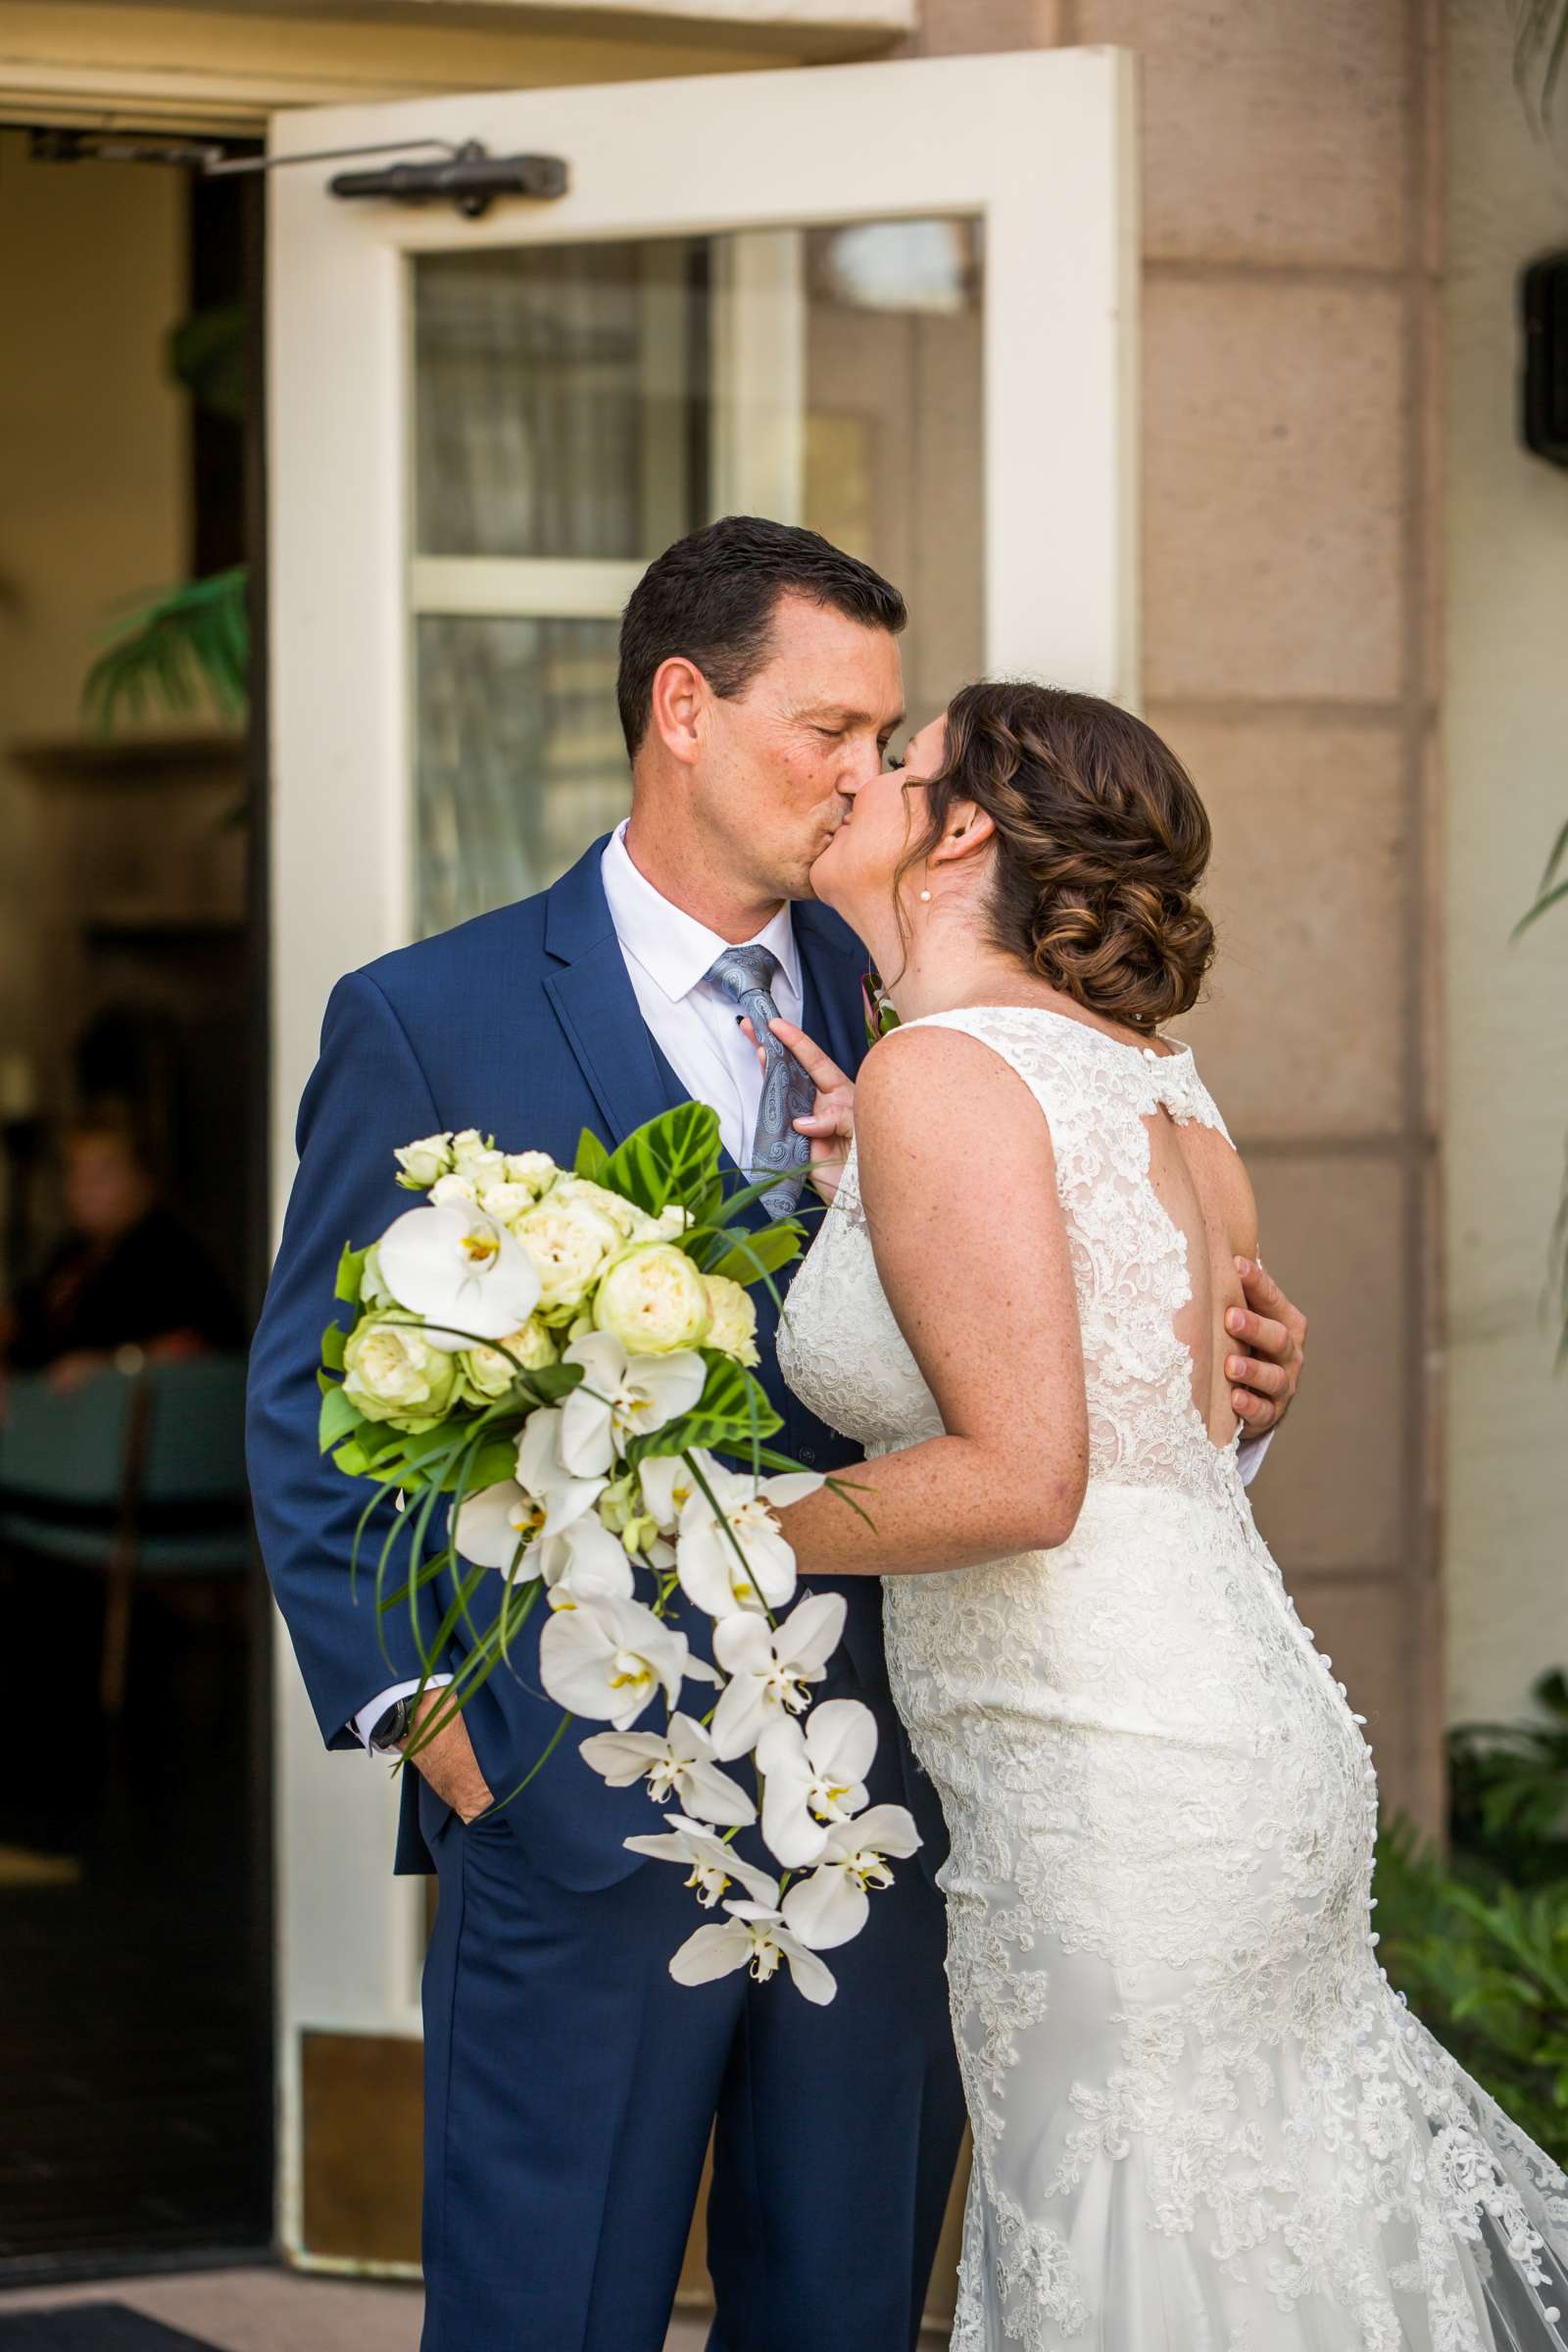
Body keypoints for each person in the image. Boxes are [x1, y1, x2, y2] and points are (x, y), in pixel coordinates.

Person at [245, 520, 1305, 2352]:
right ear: (684, 708)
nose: (867, 777)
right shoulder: (431, 1017)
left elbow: (1066, 1367)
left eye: (889, 738)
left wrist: (1228, 1380)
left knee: (840, 2313)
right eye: (831, 729)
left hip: (899, 1804)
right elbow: (315, 1404)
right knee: (542, 2317)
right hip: (573, 1799)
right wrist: (439, 1729)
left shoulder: (925, 1000)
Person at [770, 680, 1566, 2350]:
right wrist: (872, 1208)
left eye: (898, 763)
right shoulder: (1162, 1093)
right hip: (1230, 1740)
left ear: (966, 826)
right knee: (1260, 2256)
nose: (860, 777)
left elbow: (1028, 1477)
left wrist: (713, 1530)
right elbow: (1157, 1425)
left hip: (1110, 1790)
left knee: (1133, 2257)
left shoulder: (944, 1070)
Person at [1, 1120, 243, 1396]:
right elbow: (21, 1320)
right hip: (62, 1426)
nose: (85, 1188)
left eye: (103, 1174)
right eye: (75, 1173)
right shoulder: (69, 1257)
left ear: (141, 1178)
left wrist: (112, 1366)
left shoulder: (169, 1253)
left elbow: (200, 1346)